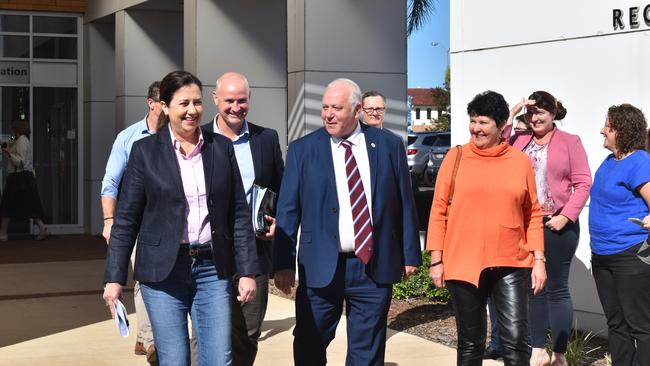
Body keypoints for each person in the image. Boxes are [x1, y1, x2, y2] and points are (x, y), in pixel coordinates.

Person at [102, 70, 260, 366]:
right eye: (183, 103)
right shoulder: (145, 151)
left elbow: (238, 212)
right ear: (164, 106)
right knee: (174, 359)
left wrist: (248, 270)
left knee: (218, 358)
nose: (192, 111)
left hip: (212, 269)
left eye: (197, 103)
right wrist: (114, 279)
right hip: (163, 272)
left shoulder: (220, 148)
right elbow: (126, 220)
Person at [273, 78, 422, 365]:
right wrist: (282, 262)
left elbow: (403, 202)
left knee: (367, 352)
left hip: (372, 266)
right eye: (325, 107)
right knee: (309, 343)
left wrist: (410, 253)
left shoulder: (388, 145)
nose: (328, 114)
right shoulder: (303, 150)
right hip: (320, 265)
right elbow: (287, 211)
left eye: (336, 108)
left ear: (356, 111)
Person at [427, 90, 546, 366]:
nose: (476, 128)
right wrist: (437, 260)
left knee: (516, 340)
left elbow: (533, 212)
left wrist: (539, 260)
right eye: (473, 121)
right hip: (463, 263)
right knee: (470, 342)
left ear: (502, 124)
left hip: (512, 262)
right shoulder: (455, 158)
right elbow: (438, 210)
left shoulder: (519, 162)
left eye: (483, 122)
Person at [504, 91, 591, 366]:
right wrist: (513, 109)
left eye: (540, 112)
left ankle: (560, 355)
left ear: (553, 113)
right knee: (533, 288)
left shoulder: (570, 142)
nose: (535, 118)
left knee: (556, 287)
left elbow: (584, 182)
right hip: (524, 226)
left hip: (556, 225)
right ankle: (538, 350)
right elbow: (496, 143)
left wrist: (566, 216)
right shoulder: (519, 140)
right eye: (530, 113)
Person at [204, 71, 284, 366]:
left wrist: (277, 220)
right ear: (215, 100)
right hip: (208, 253)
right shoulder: (199, 139)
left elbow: (282, 188)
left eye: (242, 100)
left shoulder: (266, 139)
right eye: (228, 100)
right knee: (207, 331)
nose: (235, 107)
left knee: (248, 333)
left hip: (255, 250)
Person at [100, 80, 162, 362]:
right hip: (136, 221)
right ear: (151, 103)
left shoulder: (182, 136)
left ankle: (143, 337)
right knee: (145, 277)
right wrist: (109, 220)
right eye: (165, 102)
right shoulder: (129, 137)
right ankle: (150, 341)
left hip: (170, 222)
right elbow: (111, 182)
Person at [589, 103, 650, 366]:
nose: (602, 130)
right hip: (602, 254)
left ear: (622, 131)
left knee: (640, 325)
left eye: (608, 127)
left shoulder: (639, 162)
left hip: (630, 256)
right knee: (616, 323)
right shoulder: (610, 160)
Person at [0, 119, 47, 241]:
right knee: (29, 204)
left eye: (13, 127)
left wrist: (8, 153)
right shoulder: (22, 140)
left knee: (7, 204)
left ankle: (3, 233)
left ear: (16, 129)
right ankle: (41, 228)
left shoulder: (21, 141)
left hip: (18, 177)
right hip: (24, 177)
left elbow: (20, 162)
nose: (11, 129)